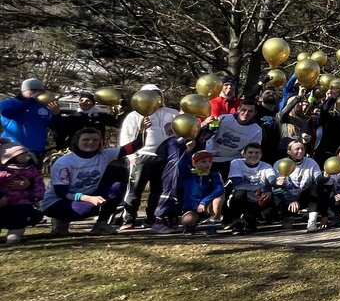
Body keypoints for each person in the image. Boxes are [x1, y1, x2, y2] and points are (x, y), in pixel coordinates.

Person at [46, 122, 147, 236]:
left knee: (117, 184)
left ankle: (101, 224)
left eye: (95, 140)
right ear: (76, 142)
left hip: (86, 195)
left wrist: (142, 131)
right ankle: (60, 221)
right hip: (56, 201)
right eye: (86, 139)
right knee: (88, 208)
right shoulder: (64, 162)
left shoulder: (104, 155)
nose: (91, 142)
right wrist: (89, 198)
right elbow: (62, 193)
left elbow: (134, 146)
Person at [118, 85, 178, 230]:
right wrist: (131, 156)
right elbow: (126, 136)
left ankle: (152, 218)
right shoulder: (134, 115)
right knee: (135, 189)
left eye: (157, 95)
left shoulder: (172, 113)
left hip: (165, 156)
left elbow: (179, 133)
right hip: (142, 155)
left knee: (159, 189)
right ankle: (129, 218)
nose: (154, 98)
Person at [224, 142, 276, 233]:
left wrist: (276, 183)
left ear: (261, 155)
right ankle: (236, 221)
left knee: (269, 215)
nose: (254, 155)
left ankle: (250, 218)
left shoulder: (266, 166)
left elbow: (272, 179)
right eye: (250, 152)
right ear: (244, 154)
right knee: (240, 193)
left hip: (258, 197)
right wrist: (264, 188)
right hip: (241, 197)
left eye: (257, 153)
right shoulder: (236, 163)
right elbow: (237, 183)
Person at [171, 150, 225, 235]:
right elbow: (181, 164)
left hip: (208, 206)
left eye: (210, 161)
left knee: (218, 199)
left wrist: (204, 202)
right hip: (193, 207)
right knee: (187, 220)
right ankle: (192, 225)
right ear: (195, 163)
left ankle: (212, 225)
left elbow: (220, 189)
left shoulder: (214, 174)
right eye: (203, 161)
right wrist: (188, 150)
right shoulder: (190, 173)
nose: (207, 164)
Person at [207, 99, 263, 182]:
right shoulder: (224, 118)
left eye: (250, 111)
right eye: (244, 110)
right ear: (238, 109)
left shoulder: (256, 130)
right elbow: (209, 132)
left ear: (255, 113)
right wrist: (212, 125)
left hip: (229, 160)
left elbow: (252, 149)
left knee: (222, 183)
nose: (246, 113)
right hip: (209, 155)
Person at [0, 78, 57, 158]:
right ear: (23, 90)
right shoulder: (10, 103)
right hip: (13, 149)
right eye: (33, 90)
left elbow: (53, 126)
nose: (37, 93)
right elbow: (8, 113)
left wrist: (56, 114)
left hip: (36, 150)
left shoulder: (43, 107)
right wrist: (30, 101)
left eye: (40, 91)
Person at [0, 143, 44, 243]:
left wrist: (36, 196)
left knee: (22, 212)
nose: (26, 156)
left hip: (23, 199)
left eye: (26, 153)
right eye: (21, 154)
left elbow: (38, 183)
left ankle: (15, 233)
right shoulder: (3, 172)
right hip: (4, 200)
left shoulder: (31, 170)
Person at [51, 91, 118, 148]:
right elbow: (60, 130)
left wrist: (118, 111)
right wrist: (56, 115)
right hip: (76, 149)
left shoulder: (102, 117)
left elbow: (118, 124)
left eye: (87, 101)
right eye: (81, 100)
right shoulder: (72, 117)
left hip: (95, 148)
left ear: (93, 103)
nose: (84, 102)